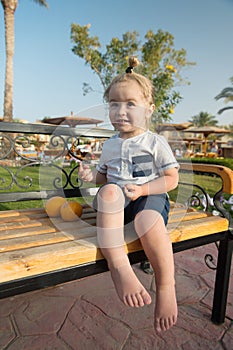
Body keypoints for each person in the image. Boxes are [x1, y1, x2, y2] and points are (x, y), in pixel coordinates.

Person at [78, 57, 179, 333]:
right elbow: (104, 176)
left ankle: (166, 286)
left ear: (149, 110)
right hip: (117, 203)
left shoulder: (154, 142)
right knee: (109, 190)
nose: (120, 110)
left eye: (130, 104)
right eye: (114, 104)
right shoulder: (109, 145)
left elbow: (171, 179)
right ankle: (120, 267)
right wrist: (91, 176)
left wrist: (145, 189)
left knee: (148, 221)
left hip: (148, 197)